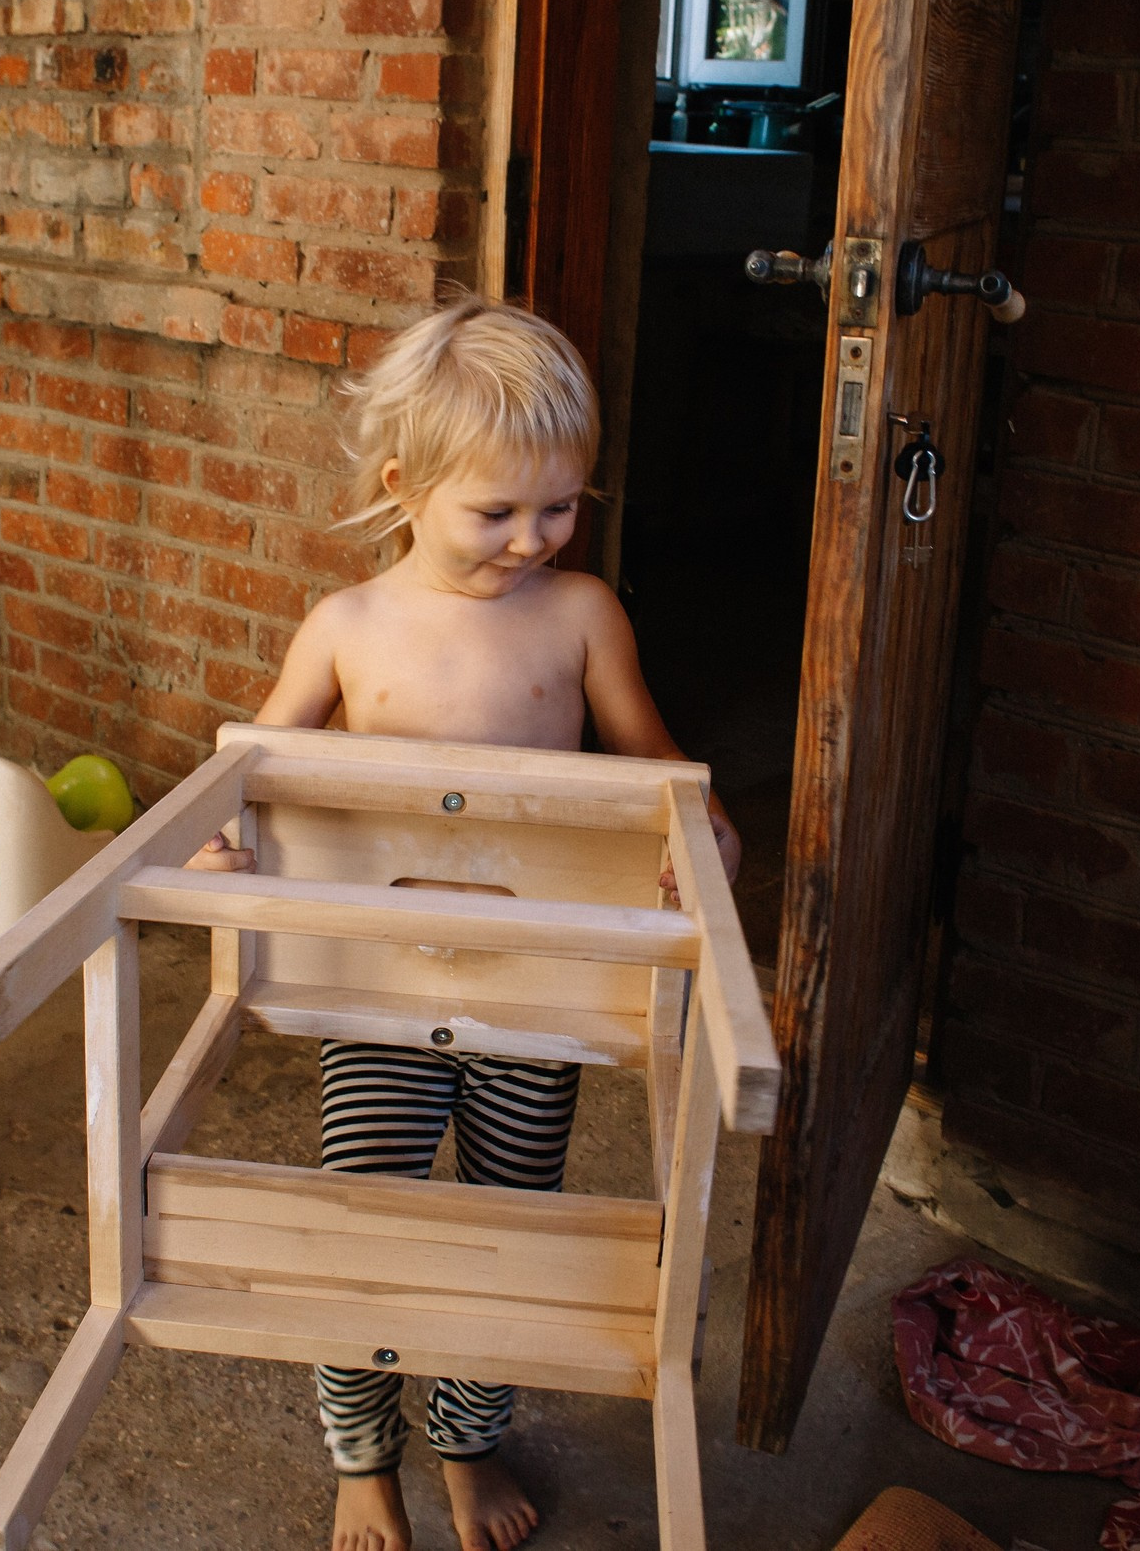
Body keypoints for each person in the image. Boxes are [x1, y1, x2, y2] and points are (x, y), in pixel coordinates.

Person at [189, 295, 741, 1551]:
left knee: (509, 1228)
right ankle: (359, 1462)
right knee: (365, 1223)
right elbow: (254, 771)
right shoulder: (347, 629)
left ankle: (468, 1444)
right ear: (404, 483)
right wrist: (223, 841)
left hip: (532, 989)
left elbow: (662, 770)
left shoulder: (582, 614)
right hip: (376, 987)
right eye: (494, 512)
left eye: (560, 506)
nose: (531, 538)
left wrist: (699, 835)